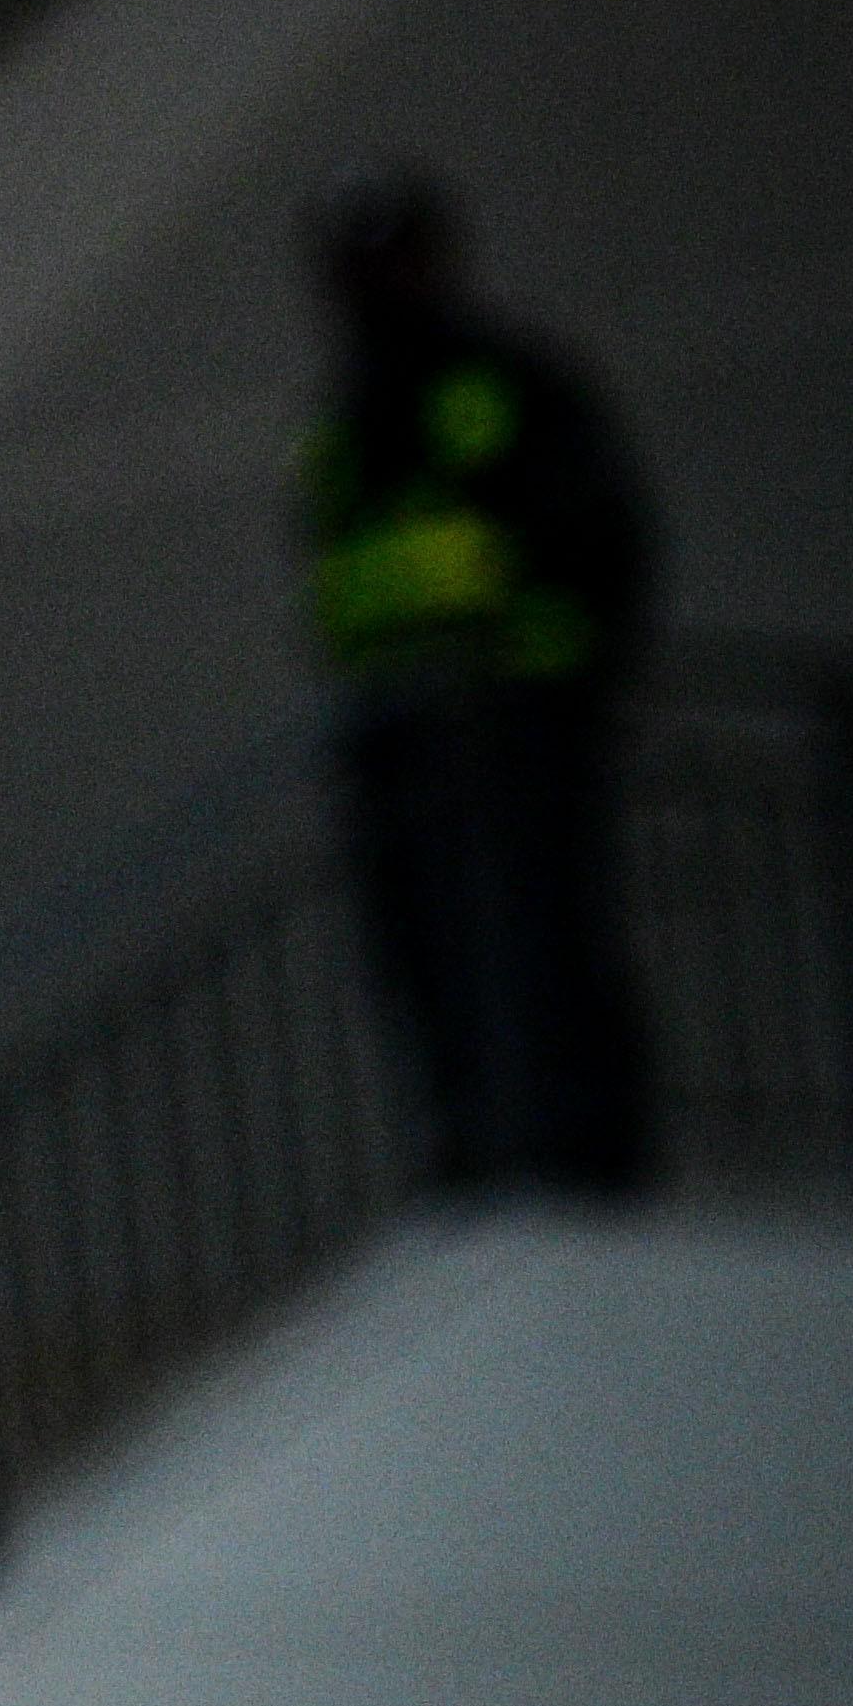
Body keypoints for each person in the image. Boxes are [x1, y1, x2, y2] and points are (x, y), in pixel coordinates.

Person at [292, 170, 661, 1196]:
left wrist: (567, 677)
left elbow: (595, 537)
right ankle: (471, 1149)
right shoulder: (346, 415)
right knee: (425, 958)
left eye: (386, 259)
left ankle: (583, 1155)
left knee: (544, 940)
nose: (370, 285)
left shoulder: (499, 385)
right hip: (397, 738)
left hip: (513, 723)